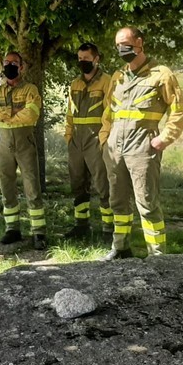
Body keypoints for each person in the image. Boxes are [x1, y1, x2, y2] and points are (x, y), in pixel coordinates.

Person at [99, 27, 183, 260]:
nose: (122, 49)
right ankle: (120, 248)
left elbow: (178, 111)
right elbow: (109, 112)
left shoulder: (161, 74)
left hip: (142, 147)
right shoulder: (117, 76)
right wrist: (104, 139)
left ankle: (157, 257)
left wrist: (163, 139)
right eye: (118, 45)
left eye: (126, 44)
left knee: (147, 203)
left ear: (139, 42)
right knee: (117, 201)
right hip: (115, 148)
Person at [0, 51, 47, 250]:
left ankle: (39, 233)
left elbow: (31, 115)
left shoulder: (30, 89)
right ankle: (12, 229)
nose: (9, 66)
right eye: (6, 62)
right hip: (4, 145)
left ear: (22, 67)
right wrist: (13, 111)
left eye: (14, 63)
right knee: (6, 187)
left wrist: (3, 114)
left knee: (32, 187)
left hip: (25, 142)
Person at [64, 43, 114, 242]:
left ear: (96, 59)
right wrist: (69, 138)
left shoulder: (107, 81)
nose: (82, 62)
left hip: (96, 140)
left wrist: (104, 140)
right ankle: (81, 225)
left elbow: (111, 113)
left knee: (103, 184)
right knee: (77, 183)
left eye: (86, 58)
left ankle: (108, 229)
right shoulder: (75, 84)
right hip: (76, 140)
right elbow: (70, 112)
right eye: (80, 58)